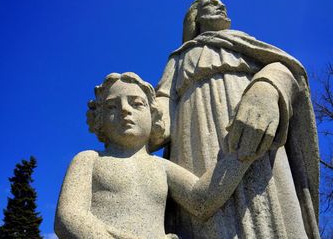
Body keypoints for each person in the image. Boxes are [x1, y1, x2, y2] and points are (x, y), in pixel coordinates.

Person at [155, 0, 320, 238]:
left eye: (222, 3)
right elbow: (163, 105)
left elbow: (290, 72)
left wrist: (267, 87)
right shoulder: (180, 58)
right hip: (196, 137)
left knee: (274, 207)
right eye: (212, 3)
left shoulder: (244, 42)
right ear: (195, 17)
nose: (221, 6)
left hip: (260, 126)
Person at [54, 72, 266, 239]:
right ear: (99, 119)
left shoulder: (160, 166)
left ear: (153, 114)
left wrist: (241, 154)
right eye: (111, 106)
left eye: (137, 103)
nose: (124, 110)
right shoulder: (88, 159)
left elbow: (201, 200)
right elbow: (69, 216)